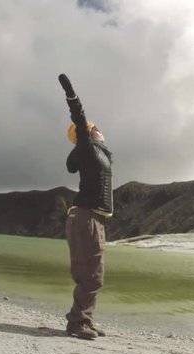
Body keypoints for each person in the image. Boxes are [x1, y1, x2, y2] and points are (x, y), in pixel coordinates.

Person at [58, 73, 113, 340]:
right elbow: (79, 120)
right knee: (91, 276)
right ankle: (77, 323)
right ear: (88, 132)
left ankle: (84, 320)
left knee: (93, 275)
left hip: (93, 219)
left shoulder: (97, 153)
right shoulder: (88, 148)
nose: (100, 129)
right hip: (85, 217)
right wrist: (72, 96)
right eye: (95, 127)